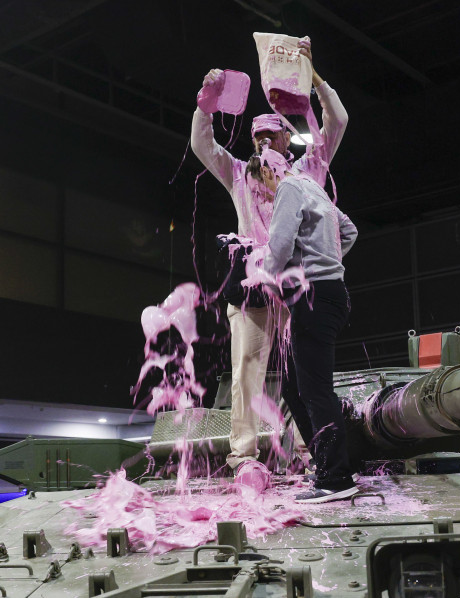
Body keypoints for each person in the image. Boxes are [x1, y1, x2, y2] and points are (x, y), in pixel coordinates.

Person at [190, 43, 348, 491]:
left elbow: (336, 123)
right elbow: (203, 145)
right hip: (255, 285)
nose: (262, 142)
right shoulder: (240, 174)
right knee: (246, 367)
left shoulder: (308, 170)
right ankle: (244, 456)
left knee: (307, 373)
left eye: (270, 135)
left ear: (285, 138)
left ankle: (307, 451)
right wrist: (208, 100)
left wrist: (314, 80)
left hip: (299, 288)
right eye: (256, 136)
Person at [249, 146, 358, 504]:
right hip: (329, 295)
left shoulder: (288, 187)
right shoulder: (315, 189)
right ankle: (325, 463)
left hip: (314, 297)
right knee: (295, 387)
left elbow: (278, 246)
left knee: (315, 390)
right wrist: (326, 260)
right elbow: (349, 230)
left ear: (266, 172)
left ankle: (336, 477)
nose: (263, 196)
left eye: (260, 187)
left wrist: (260, 276)